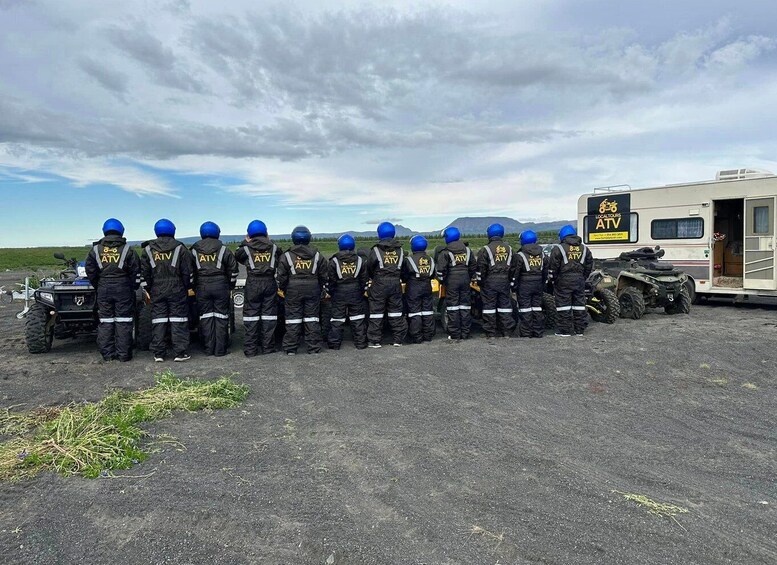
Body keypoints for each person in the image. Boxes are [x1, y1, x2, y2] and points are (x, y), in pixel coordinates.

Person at [85, 218, 141, 362]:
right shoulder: (128, 250)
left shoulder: (96, 250)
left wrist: (98, 284)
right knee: (124, 321)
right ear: (121, 231)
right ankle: (124, 355)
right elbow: (135, 271)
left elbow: (90, 271)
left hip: (103, 288)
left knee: (106, 321)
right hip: (123, 289)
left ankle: (107, 355)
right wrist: (131, 287)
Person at [140, 218, 195, 362]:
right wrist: (185, 287)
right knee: (179, 320)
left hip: (157, 289)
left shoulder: (147, 250)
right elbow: (187, 272)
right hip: (177, 289)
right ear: (173, 230)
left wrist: (151, 288)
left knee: (159, 320)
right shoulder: (180, 248)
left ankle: (158, 353)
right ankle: (180, 353)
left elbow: (144, 273)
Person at [276, 225, 328, 355]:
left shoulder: (286, 256)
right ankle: (314, 347)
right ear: (309, 238)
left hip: (293, 290)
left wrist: (284, 289)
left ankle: (290, 348)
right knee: (312, 318)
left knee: (293, 318)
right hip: (313, 289)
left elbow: (281, 276)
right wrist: (320, 288)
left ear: (293, 238)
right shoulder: (317, 255)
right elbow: (324, 275)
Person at [235, 220, 282, 356]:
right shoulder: (274, 247)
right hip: (269, 282)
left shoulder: (246, 248)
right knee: (269, 316)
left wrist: (246, 242)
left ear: (249, 233)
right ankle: (268, 347)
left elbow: (238, 256)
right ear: (266, 232)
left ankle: (250, 350)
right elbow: (280, 256)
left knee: (251, 316)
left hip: (253, 283)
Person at [190, 221, 238, 356]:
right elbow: (233, 270)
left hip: (202, 286)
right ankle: (220, 350)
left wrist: (194, 286)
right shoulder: (224, 249)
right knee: (221, 317)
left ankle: (208, 348)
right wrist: (230, 285)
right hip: (221, 286)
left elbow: (189, 271)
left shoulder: (194, 250)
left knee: (205, 318)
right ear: (217, 232)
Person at [365, 222, 407, 348]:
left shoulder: (376, 250)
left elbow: (369, 267)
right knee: (396, 312)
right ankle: (397, 340)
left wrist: (375, 278)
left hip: (379, 283)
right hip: (395, 283)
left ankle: (375, 340)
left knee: (376, 312)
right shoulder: (401, 250)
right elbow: (404, 268)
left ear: (380, 233)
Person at [548, 225, 593, 336]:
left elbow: (553, 267)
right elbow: (589, 265)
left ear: (562, 235)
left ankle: (565, 331)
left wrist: (554, 280)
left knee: (564, 306)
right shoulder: (584, 248)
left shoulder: (558, 248)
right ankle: (579, 330)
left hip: (563, 281)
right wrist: (583, 277)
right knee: (579, 305)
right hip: (579, 280)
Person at [327, 233, 368, 350]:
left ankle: (334, 344)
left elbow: (331, 279)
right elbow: (363, 279)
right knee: (358, 318)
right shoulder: (360, 260)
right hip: (355, 292)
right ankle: (361, 343)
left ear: (339, 245)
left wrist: (333, 292)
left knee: (337, 319)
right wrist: (360, 291)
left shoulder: (334, 261)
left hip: (339, 292)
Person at [476, 223, 517, 340]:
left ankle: (491, 333)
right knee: (505, 306)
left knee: (489, 307)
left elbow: (481, 268)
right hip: (505, 282)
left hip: (490, 282)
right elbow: (514, 267)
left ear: (489, 234)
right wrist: (511, 281)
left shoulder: (485, 249)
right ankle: (506, 332)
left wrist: (480, 281)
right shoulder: (510, 249)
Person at [436, 226, 476, 341]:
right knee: (465, 306)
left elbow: (440, 270)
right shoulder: (468, 250)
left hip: (452, 281)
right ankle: (465, 333)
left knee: (453, 308)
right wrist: (468, 276)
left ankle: (455, 334)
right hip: (465, 280)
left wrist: (442, 281)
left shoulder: (445, 252)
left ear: (448, 237)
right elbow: (473, 266)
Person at [402, 235, 436, 344]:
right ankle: (428, 335)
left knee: (414, 312)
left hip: (413, 287)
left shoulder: (408, 260)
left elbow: (404, 275)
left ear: (412, 246)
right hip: (427, 286)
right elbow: (433, 275)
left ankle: (416, 336)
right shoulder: (431, 259)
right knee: (427, 311)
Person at [514, 230, 547, 338]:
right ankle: (538, 332)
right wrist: (543, 284)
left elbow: (516, 272)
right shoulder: (543, 254)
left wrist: (514, 286)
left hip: (524, 285)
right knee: (537, 308)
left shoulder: (520, 255)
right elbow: (545, 271)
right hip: (538, 285)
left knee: (525, 309)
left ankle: (526, 333)